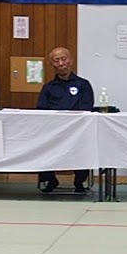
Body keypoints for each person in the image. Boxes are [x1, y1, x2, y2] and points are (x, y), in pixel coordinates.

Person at [35, 46, 93, 194]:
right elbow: (41, 109)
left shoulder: (83, 85)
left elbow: (87, 106)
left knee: (82, 148)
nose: (61, 63)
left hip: (78, 130)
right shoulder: (48, 87)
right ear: (52, 64)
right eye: (56, 60)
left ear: (71, 61)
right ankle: (50, 180)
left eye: (64, 59)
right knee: (42, 147)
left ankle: (79, 182)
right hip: (54, 131)